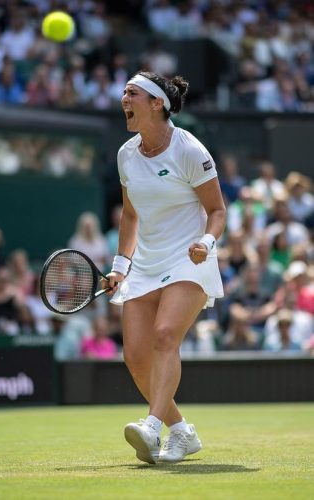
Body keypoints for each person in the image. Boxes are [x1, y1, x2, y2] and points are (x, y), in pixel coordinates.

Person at [102, 71, 226, 464]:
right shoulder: (126, 154)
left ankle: (152, 426)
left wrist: (206, 242)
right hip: (146, 263)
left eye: (132, 93)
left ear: (157, 103)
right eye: (124, 92)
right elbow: (130, 214)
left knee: (165, 335)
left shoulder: (190, 150)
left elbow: (217, 210)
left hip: (190, 258)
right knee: (136, 358)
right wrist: (121, 264)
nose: (124, 98)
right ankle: (182, 432)